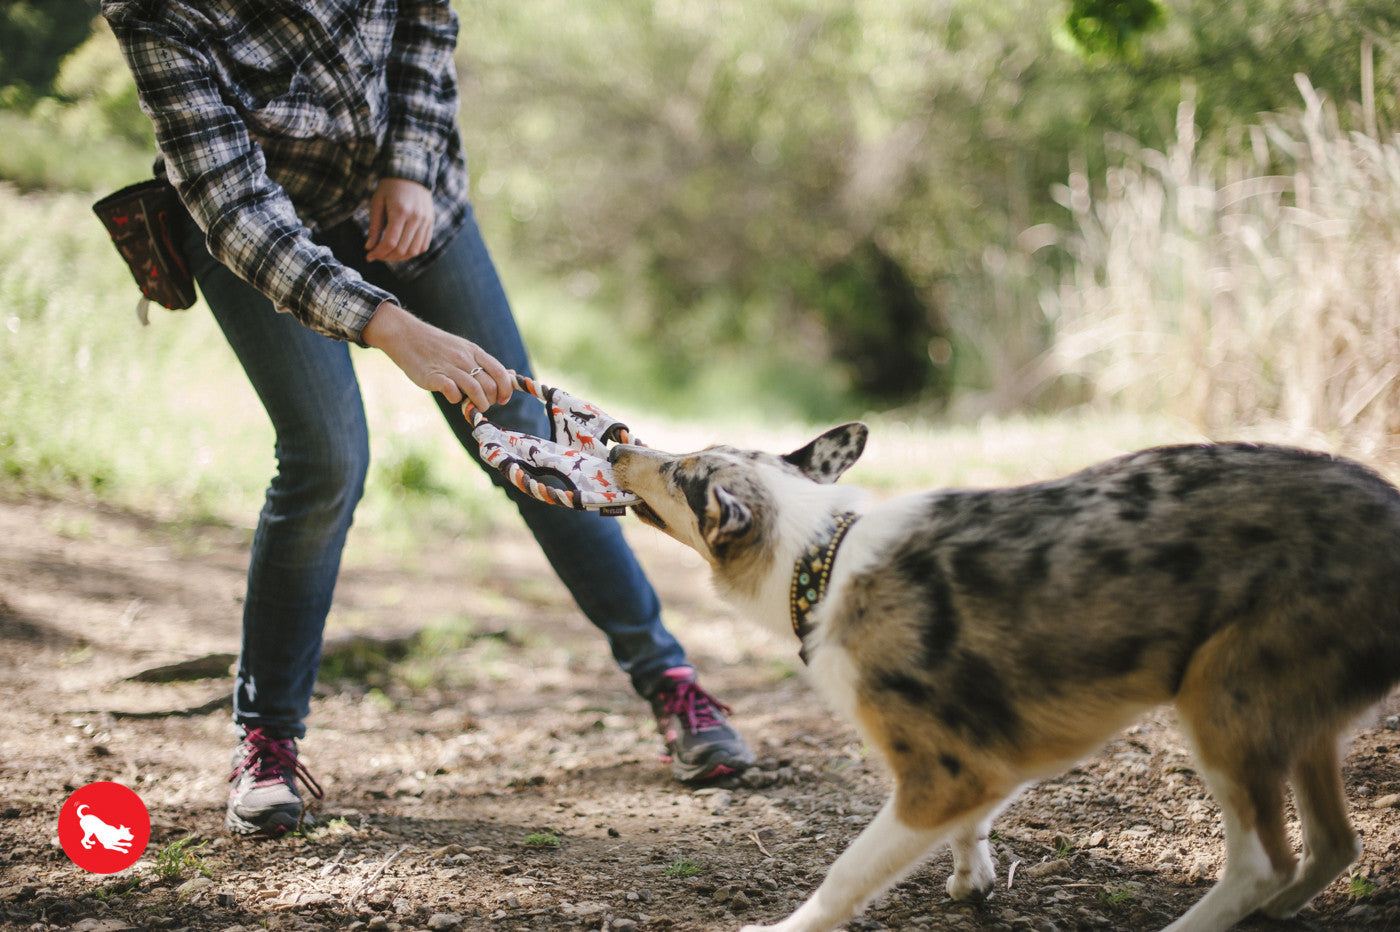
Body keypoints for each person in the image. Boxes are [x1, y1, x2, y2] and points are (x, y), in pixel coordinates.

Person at [102, 0, 754, 835]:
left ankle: (671, 682)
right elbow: (233, 209)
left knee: (529, 441)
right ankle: (266, 741)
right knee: (324, 459)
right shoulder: (153, 13)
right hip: (263, 233)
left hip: (412, 201)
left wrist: (409, 165)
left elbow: (426, 19)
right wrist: (387, 325)